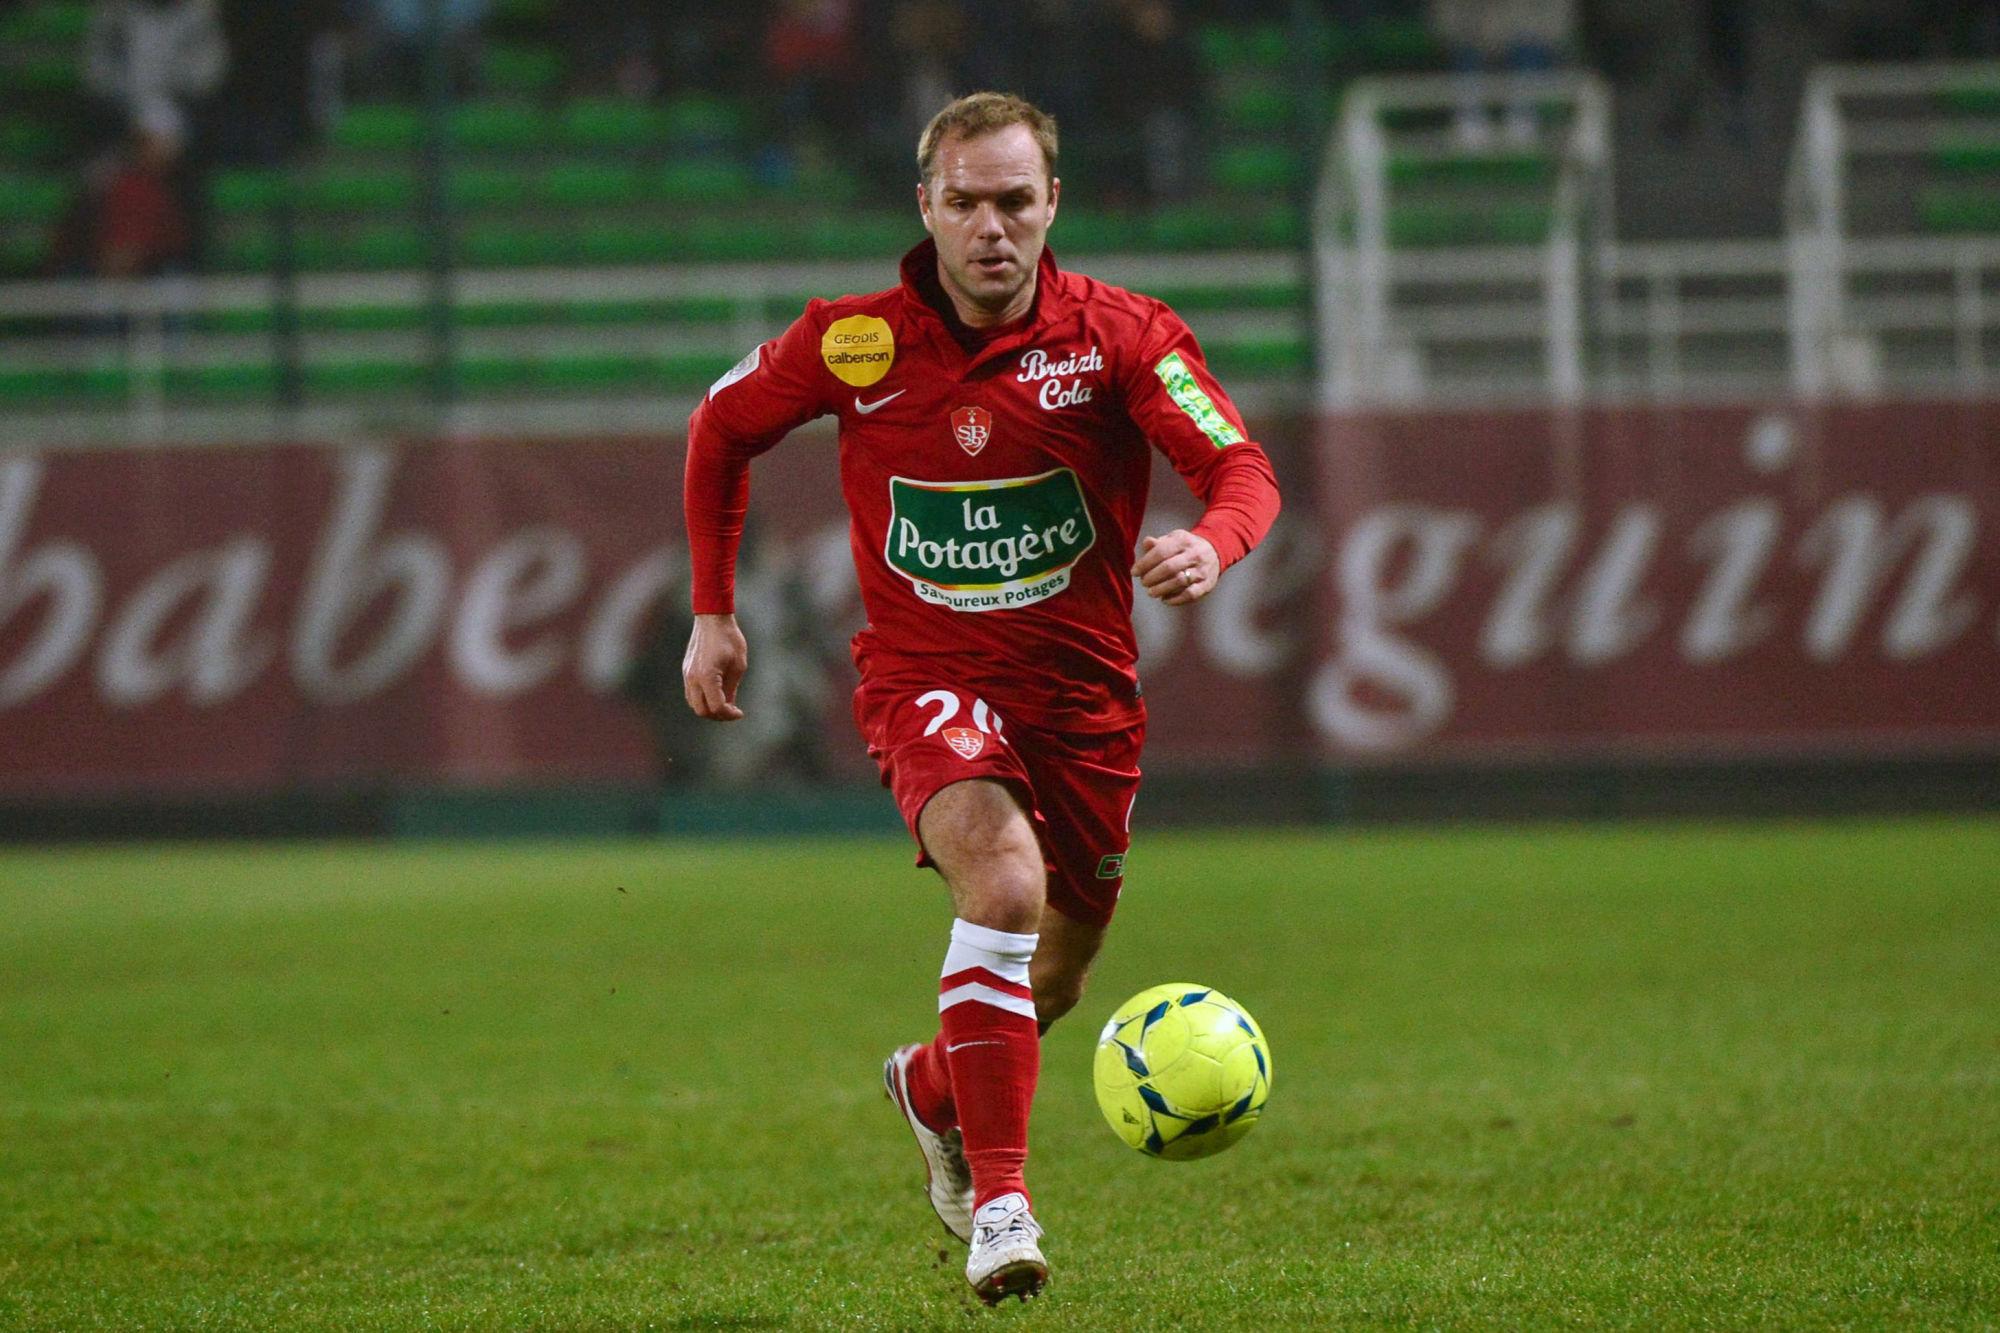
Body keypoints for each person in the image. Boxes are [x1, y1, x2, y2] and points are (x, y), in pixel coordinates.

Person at [680, 91, 1280, 1304]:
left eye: (1014, 200)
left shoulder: (1119, 338)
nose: (990, 227)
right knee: (1001, 883)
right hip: (927, 684)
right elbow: (717, 426)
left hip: (1082, 704)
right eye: (965, 202)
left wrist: (1214, 544)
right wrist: (712, 608)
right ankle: (1001, 1207)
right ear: (925, 207)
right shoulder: (852, 343)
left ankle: (933, 1089)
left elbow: (1237, 465)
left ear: (1052, 203)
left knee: (1051, 978)